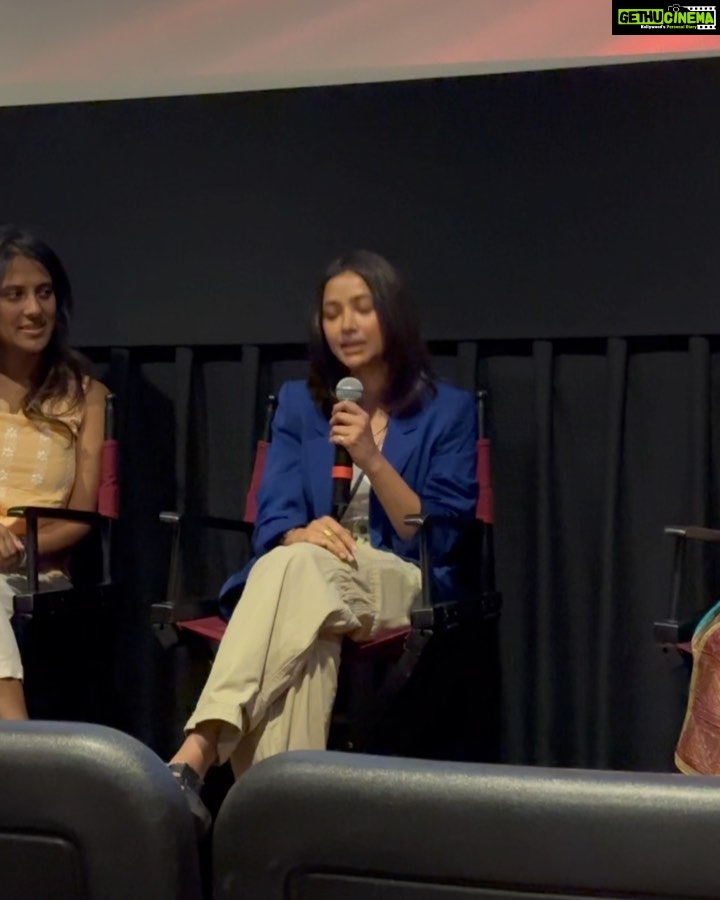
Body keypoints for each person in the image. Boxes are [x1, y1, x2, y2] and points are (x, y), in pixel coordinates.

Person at [168, 249, 478, 831]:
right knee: (305, 637)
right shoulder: (299, 404)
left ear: (393, 315)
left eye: (362, 308)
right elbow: (275, 513)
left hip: (401, 576)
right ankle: (283, 836)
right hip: (309, 581)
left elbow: (436, 530)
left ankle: (197, 749)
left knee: (295, 570)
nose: (346, 324)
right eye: (332, 312)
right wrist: (298, 531)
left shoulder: (448, 411)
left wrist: (371, 457)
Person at [0, 225, 108, 720]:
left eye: (43, 293)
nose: (33, 310)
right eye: (14, 295)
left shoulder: (85, 393)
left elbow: (83, 517)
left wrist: (13, 539)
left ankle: (15, 752)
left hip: (36, 572)